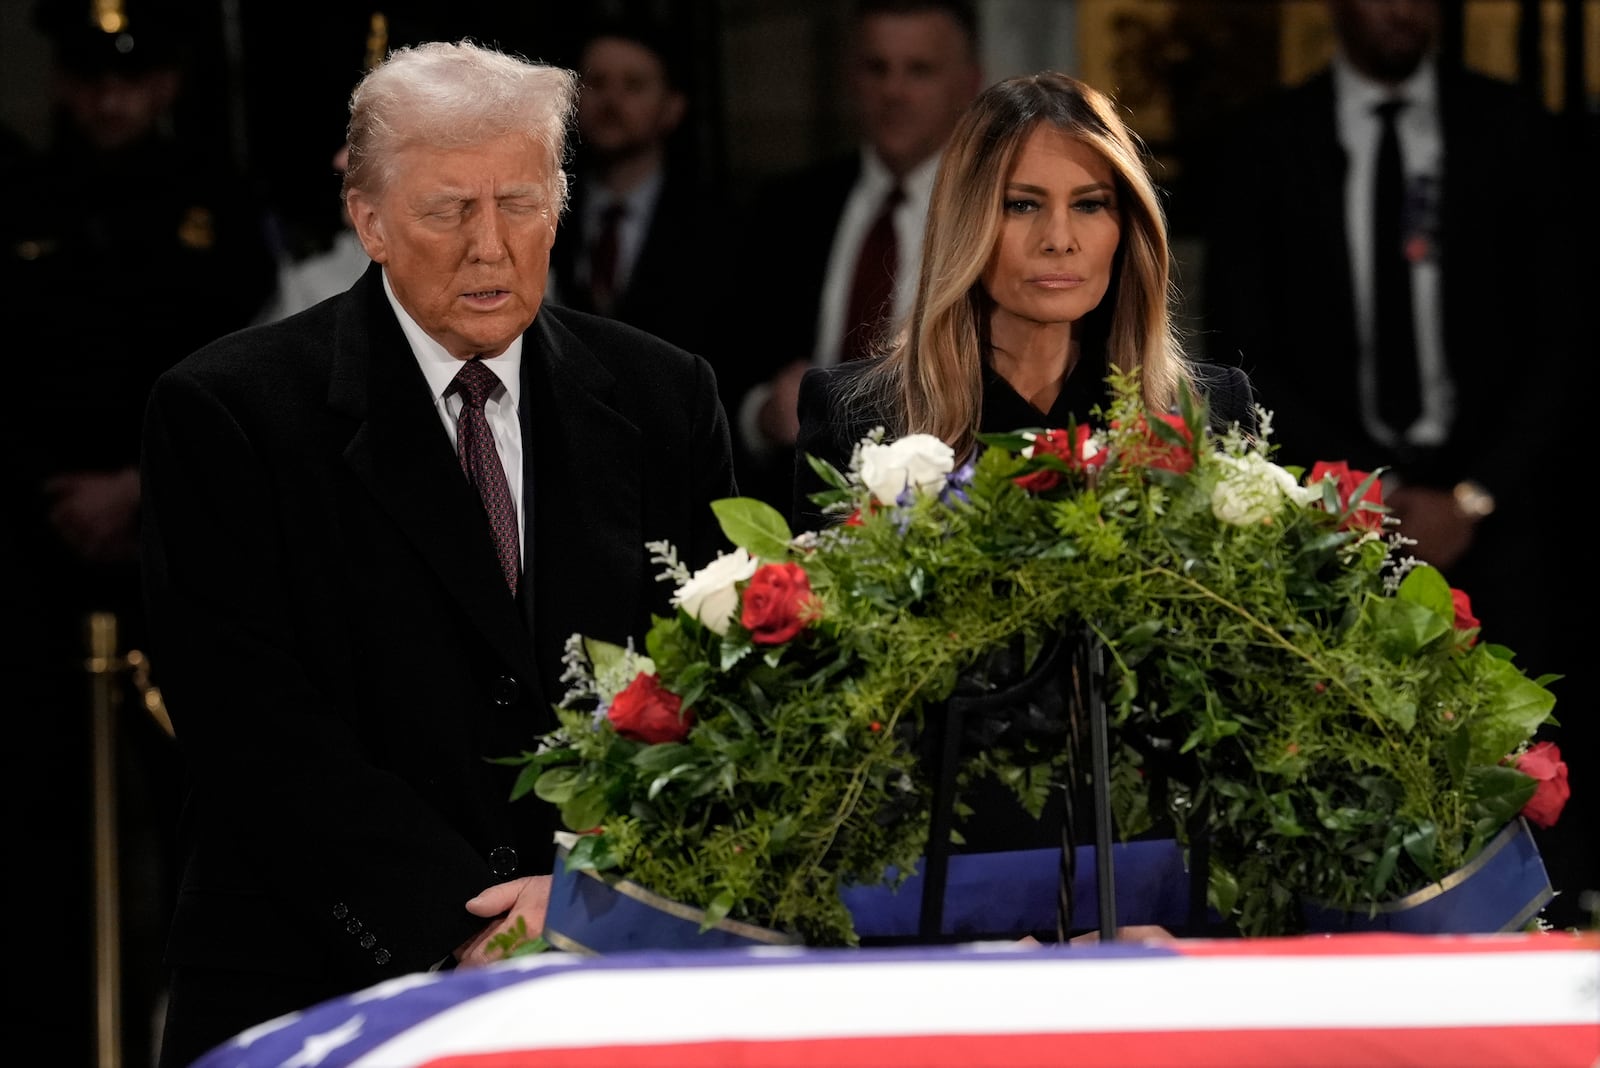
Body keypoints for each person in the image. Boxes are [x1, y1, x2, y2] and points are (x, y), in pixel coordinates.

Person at [140, 39, 737, 1067]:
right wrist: (458, 923)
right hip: (320, 977)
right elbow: (251, 726)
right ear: (367, 219)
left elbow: (719, 684)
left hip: (600, 969)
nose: (489, 247)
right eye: (447, 209)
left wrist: (591, 896)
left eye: (518, 203)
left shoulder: (663, 396)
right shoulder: (228, 412)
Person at [1194, 0, 1590, 925]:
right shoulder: (1266, 145)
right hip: (1337, 510)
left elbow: (1565, 338)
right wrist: (1365, 493)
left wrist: (1475, 493)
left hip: (1508, 508)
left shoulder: (1518, 133)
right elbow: (1245, 351)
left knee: (1540, 752)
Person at [5, 1, 277, 1063]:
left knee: (200, 818)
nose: (110, 99)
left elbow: (247, 382)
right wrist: (52, 492)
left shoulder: (218, 198)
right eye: (89, 77)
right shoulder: (21, 195)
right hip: (35, 557)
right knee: (37, 828)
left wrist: (140, 489)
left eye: (131, 77)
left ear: (165, 83)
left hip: (179, 555)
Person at [793, 70, 1258, 532]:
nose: (1058, 240)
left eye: (1089, 204)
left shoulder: (1210, 411)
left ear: (1128, 228)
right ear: (965, 223)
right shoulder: (857, 416)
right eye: (1022, 205)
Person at [721, 0, 984, 512]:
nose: (894, 91)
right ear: (851, 78)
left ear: (969, 83)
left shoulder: (993, 212)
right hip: (794, 503)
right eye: (876, 68)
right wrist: (762, 413)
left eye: (919, 71)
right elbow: (725, 360)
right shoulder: (788, 207)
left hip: (948, 509)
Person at [546, 20, 725, 355]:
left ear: (673, 108)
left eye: (633, 85)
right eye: (596, 82)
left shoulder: (719, 227)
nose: (611, 100)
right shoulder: (538, 210)